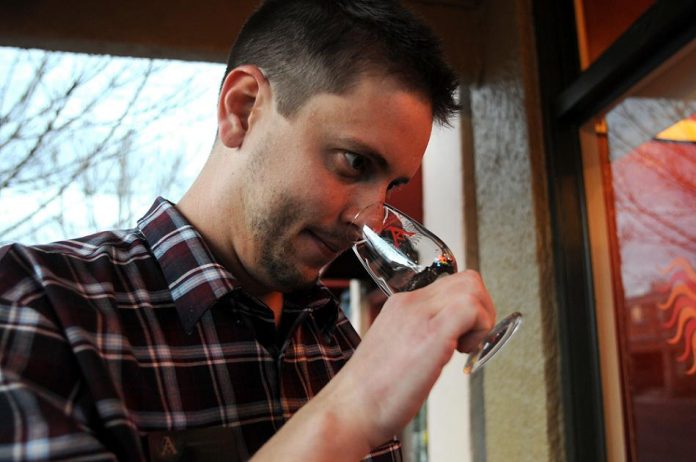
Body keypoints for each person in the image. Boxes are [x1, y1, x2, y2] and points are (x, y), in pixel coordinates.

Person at [0, 0, 496, 460]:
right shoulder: (38, 302)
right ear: (241, 109)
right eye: (353, 162)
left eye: (391, 186)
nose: (368, 219)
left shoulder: (339, 340)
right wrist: (349, 412)